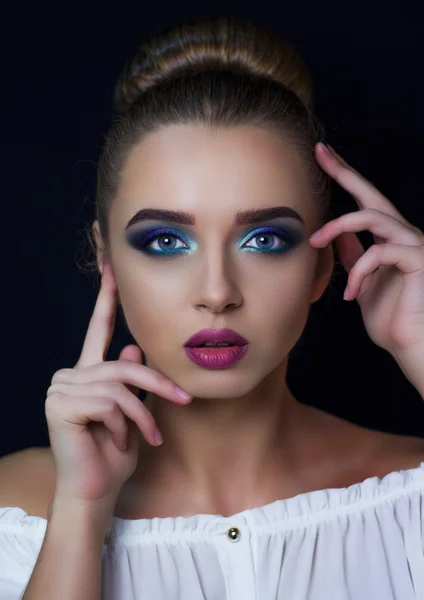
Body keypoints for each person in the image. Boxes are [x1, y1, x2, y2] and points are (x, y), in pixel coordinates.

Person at [1, 14, 424, 600]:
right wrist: (80, 510)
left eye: (266, 239)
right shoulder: (9, 514)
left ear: (325, 263)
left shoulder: (410, 496)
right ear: (108, 259)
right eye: (167, 241)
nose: (218, 292)